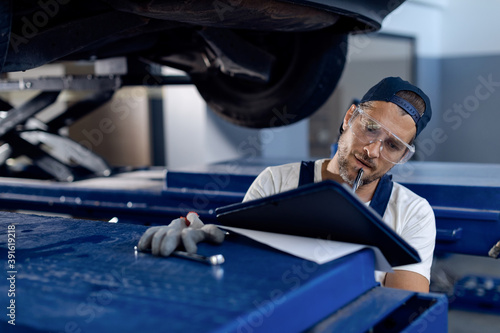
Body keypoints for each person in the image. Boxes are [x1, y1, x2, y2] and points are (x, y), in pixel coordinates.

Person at [243, 76, 435, 293]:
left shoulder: (413, 213)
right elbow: (243, 271)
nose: (372, 151)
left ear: (402, 156)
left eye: (392, 145)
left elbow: (404, 308)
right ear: (349, 117)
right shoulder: (275, 183)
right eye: (370, 127)